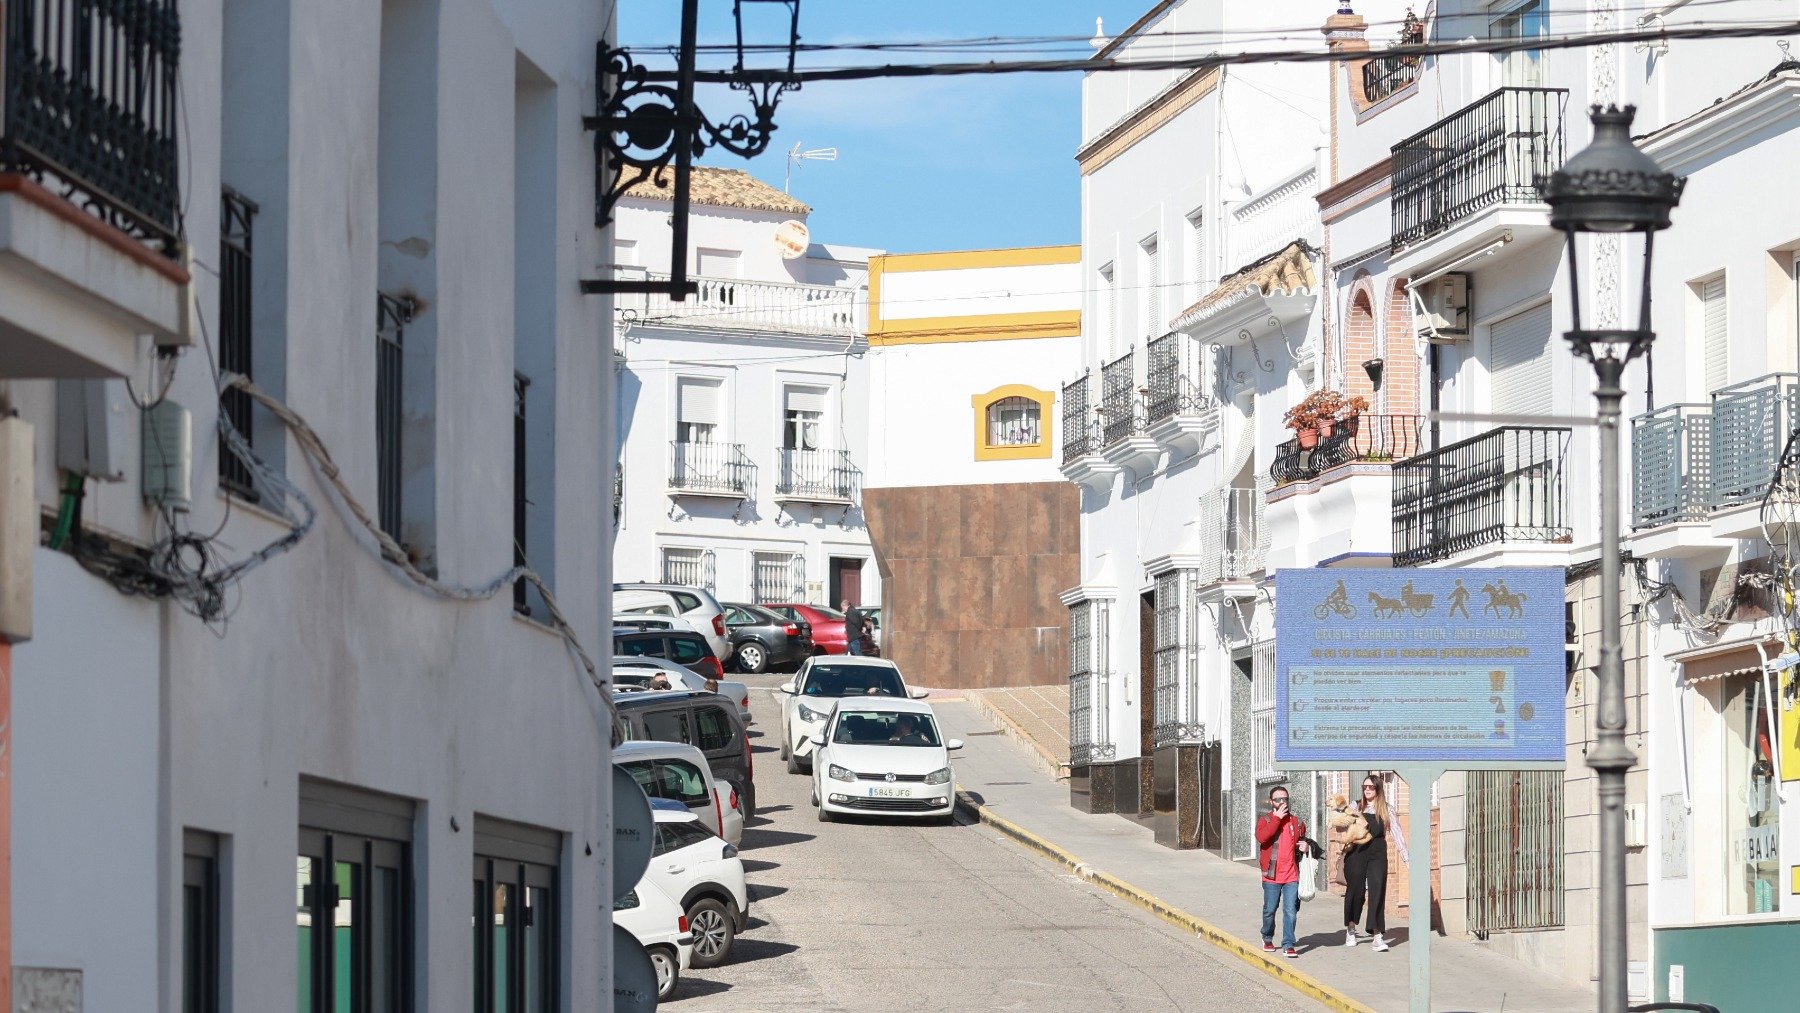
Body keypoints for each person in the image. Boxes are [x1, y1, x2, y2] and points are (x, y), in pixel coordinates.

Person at [1256, 785, 1311, 959]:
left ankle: (1288, 943)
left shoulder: (1296, 821)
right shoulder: (1265, 820)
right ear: (1271, 802)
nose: (1282, 802)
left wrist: (1307, 847)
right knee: (1269, 910)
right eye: (1278, 799)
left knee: (1291, 911)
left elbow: (1304, 839)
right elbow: (1262, 838)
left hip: (1291, 875)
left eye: (1285, 799)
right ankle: (1267, 936)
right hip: (1272, 875)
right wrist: (1277, 819)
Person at [1342, 774, 1392, 952]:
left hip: (1378, 852)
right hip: (1357, 851)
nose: (1367, 790)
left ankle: (1377, 936)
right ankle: (1351, 928)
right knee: (1356, 891)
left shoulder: (1386, 809)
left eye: (1370, 787)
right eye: (1365, 787)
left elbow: (1398, 834)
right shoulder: (1356, 806)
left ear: (1378, 789)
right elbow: (1341, 826)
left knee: (1377, 890)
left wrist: (1407, 858)